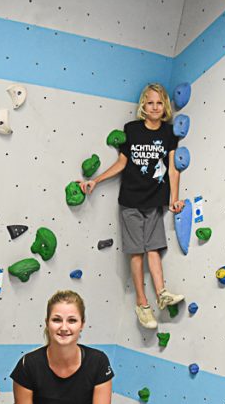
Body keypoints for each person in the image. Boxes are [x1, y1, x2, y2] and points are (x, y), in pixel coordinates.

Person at [79, 83, 184, 329]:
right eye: (150, 103)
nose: (155, 107)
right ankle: (142, 303)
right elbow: (121, 163)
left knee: (154, 248)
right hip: (130, 200)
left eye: (159, 103)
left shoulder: (169, 134)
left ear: (165, 106)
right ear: (143, 107)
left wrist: (174, 200)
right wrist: (95, 180)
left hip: (155, 201)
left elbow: (173, 170)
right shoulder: (132, 130)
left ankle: (162, 293)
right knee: (137, 252)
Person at [11, 290, 120, 404]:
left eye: (72, 320)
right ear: (47, 323)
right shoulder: (28, 364)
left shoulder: (98, 361)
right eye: (56, 320)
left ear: (82, 325)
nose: (64, 327)